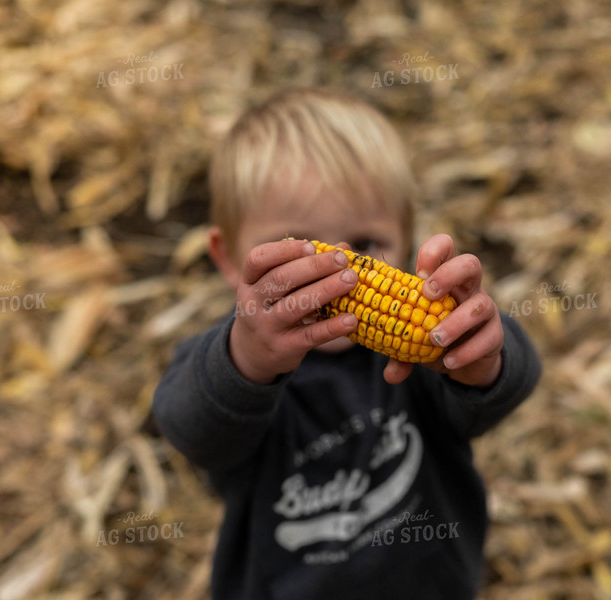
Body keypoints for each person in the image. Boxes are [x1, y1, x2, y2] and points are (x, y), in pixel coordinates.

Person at [152, 87, 541, 599]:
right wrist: (247, 360)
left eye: (366, 245)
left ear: (406, 239)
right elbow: (189, 429)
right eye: (299, 250)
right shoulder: (233, 364)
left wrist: (480, 359)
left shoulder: (423, 358)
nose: (340, 274)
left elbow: (509, 386)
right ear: (228, 259)